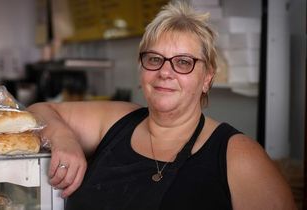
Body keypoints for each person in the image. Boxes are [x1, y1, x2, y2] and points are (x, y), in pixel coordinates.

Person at [27, 1, 297, 209]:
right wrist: (63, 138)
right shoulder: (117, 120)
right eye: (155, 59)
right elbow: (37, 111)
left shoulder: (238, 156)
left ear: (207, 78)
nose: (165, 72)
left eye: (183, 62)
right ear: (141, 69)